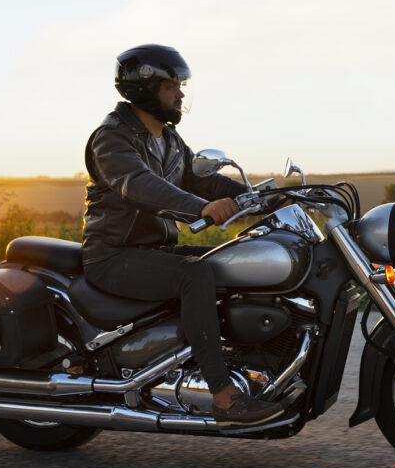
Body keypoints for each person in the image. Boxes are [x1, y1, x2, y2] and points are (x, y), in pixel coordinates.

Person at [81, 44, 283, 426]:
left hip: (153, 249)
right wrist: (198, 209)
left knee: (231, 262)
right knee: (196, 274)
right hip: (112, 255)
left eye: (180, 85)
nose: (181, 94)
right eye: (172, 85)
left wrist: (264, 199)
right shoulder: (112, 137)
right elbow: (139, 184)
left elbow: (202, 181)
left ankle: (254, 370)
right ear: (145, 88)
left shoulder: (169, 141)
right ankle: (224, 398)